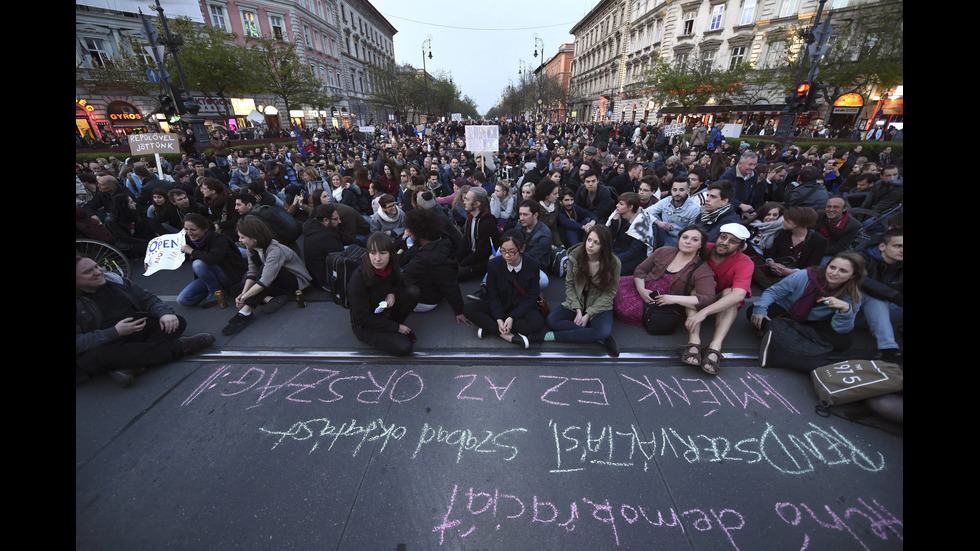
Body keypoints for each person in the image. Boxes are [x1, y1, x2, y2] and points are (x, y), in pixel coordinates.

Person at [76, 254, 214, 388]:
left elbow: (147, 298)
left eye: (96, 266)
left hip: (136, 329)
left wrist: (165, 313)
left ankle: (130, 365)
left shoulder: (114, 280)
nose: (98, 272)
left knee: (176, 322)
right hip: (106, 342)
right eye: (88, 272)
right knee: (90, 359)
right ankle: (181, 347)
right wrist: (114, 332)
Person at [753, 251, 866, 371]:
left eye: (843, 271)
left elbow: (841, 329)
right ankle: (806, 350)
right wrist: (760, 309)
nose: (834, 273)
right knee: (754, 312)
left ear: (853, 275)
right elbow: (773, 292)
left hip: (814, 322)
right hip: (788, 312)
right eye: (832, 267)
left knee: (844, 342)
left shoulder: (852, 294)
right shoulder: (805, 276)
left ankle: (780, 336)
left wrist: (845, 310)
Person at [682, 223, 755, 375]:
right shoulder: (704, 248)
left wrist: (704, 312)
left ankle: (715, 346)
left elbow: (739, 295)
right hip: (701, 294)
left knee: (731, 293)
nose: (725, 243)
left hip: (722, 301)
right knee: (698, 287)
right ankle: (694, 341)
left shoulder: (745, 262)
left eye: (733, 241)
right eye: (723, 237)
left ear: (741, 246)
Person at [613, 225, 717, 329]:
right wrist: (642, 290)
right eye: (685, 237)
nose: (688, 241)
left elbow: (708, 299)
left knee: (626, 309)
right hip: (641, 286)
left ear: (701, 245)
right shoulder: (663, 251)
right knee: (609, 286)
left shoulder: (702, 270)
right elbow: (641, 270)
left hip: (658, 303)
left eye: (694, 239)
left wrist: (674, 299)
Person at [222, 217, 312, 335]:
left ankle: (245, 313)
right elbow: (252, 274)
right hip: (272, 279)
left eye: (242, 237)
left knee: (262, 273)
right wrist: (243, 293)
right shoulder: (251, 248)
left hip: (295, 283)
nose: (240, 240)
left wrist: (245, 299)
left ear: (254, 238)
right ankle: (271, 299)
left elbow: (264, 281)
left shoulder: (275, 250)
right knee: (235, 290)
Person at [543, 225, 622, 356]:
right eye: (589, 240)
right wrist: (578, 310)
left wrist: (588, 315)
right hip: (578, 300)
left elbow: (610, 293)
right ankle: (598, 337)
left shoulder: (614, 263)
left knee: (603, 331)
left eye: (596, 243)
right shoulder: (575, 255)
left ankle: (558, 336)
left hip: (598, 303)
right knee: (552, 320)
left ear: (604, 246)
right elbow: (569, 284)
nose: (590, 245)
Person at [462, 230, 545, 348]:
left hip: (520, 307)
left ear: (522, 249)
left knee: (537, 323)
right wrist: (499, 318)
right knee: (468, 309)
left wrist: (512, 317)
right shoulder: (494, 265)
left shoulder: (532, 265)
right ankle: (508, 336)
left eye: (511, 252)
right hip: (500, 304)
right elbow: (493, 295)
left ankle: (490, 327)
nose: (506, 256)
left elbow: (532, 296)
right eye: (503, 251)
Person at [347, 232, 420, 356]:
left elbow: (399, 283)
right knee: (404, 347)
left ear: (390, 254)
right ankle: (393, 329)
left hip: (384, 310)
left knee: (413, 292)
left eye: (383, 253)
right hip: (366, 325)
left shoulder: (392, 265)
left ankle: (393, 325)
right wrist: (396, 327)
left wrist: (392, 293)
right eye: (373, 253)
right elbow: (363, 317)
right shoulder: (358, 279)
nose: (377, 259)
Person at [400, 207, 470, 324]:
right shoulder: (437, 241)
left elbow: (450, 283)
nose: (409, 234)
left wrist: (459, 310)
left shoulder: (427, 257)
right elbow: (403, 258)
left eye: (410, 231)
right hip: (432, 289)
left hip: (425, 300)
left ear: (419, 233)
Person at [176, 213, 247, 307]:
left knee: (198, 264)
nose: (189, 233)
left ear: (205, 228)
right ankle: (216, 290)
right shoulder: (189, 239)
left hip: (228, 274)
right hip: (209, 277)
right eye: (186, 229)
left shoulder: (219, 239)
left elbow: (213, 258)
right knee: (183, 300)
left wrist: (191, 251)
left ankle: (216, 292)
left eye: (193, 229)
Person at [857, 228, 903, 363]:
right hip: (852, 312)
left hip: (884, 317)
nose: (902, 250)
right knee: (875, 296)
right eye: (897, 246)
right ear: (882, 246)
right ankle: (888, 349)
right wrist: (895, 296)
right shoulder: (860, 257)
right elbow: (862, 280)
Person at [754, 206, 827, 289]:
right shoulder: (783, 233)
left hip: (797, 276)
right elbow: (771, 253)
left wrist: (789, 272)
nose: (783, 222)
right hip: (775, 270)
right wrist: (772, 264)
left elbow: (812, 268)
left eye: (786, 220)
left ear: (796, 223)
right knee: (752, 263)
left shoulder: (818, 240)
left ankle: (773, 288)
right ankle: (773, 288)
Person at [302, 204, 355, 290]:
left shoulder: (319, 227)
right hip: (324, 279)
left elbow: (347, 239)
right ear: (326, 220)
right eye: (336, 219)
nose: (339, 221)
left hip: (320, 273)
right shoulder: (324, 237)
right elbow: (342, 257)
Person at [456, 187, 500, 282]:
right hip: (472, 256)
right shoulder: (470, 218)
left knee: (454, 275)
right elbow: (465, 242)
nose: (464, 202)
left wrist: (463, 263)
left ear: (477, 204)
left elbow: (482, 253)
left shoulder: (487, 223)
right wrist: (457, 259)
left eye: (467, 199)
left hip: (483, 261)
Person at [815, 195, 862, 260]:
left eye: (836, 207)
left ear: (844, 209)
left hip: (832, 253)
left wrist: (815, 251)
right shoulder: (820, 215)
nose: (831, 210)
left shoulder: (854, 225)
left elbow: (839, 247)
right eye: (829, 206)